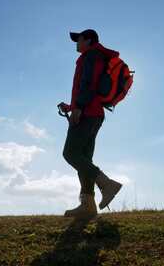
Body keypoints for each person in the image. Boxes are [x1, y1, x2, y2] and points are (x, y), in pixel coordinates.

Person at [58, 29, 123, 220]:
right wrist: (72, 106)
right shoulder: (95, 56)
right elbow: (89, 87)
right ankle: (88, 206)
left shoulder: (91, 55)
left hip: (87, 112)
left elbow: (88, 84)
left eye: (78, 39)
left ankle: (107, 184)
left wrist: (78, 108)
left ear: (88, 40)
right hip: (93, 112)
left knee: (70, 153)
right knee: (84, 159)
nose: (76, 43)